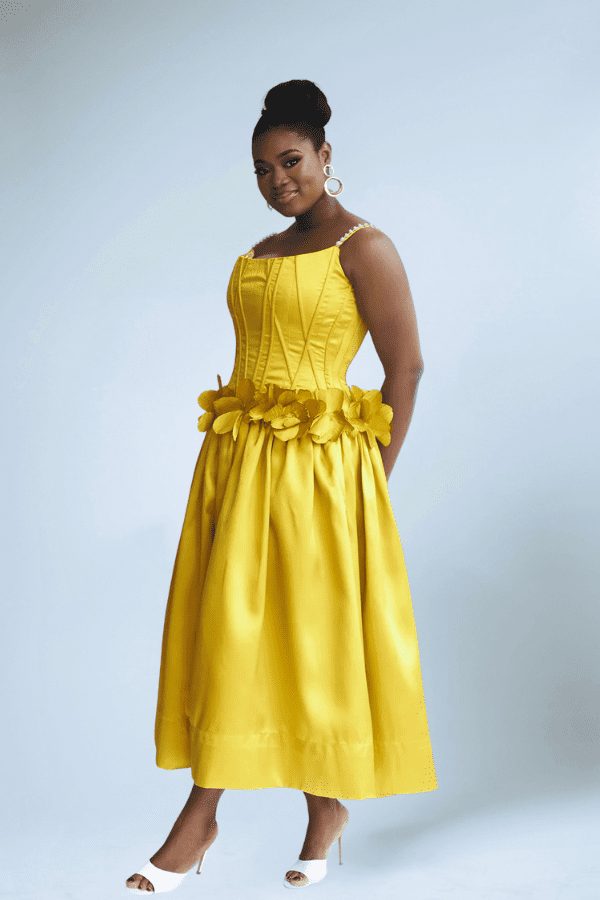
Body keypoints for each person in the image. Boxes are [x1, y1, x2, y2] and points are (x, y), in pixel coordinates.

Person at [125, 78, 437, 894]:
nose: (278, 180)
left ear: (326, 156)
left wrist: (372, 481)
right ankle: (314, 810)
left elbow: (404, 368)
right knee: (236, 635)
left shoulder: (364, 247)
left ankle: (204, 819)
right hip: (239, 467)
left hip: (320, 478)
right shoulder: (261, 254)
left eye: (292, 161)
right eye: (263, 169)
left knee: (305, 640)